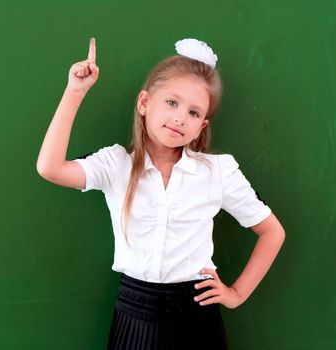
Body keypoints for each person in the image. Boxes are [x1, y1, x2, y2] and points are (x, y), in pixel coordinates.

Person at [36, 37, 285, 350]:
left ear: (202, 126)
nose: (181, 117)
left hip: (197, 316)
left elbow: (272, 231)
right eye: (172, 102)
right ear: (144, 103)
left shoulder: (218, 172)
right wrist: (75, 92)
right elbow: (50, 168)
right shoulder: (117, 164)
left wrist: (236, 294)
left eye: (194, 113)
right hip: (134, 313)